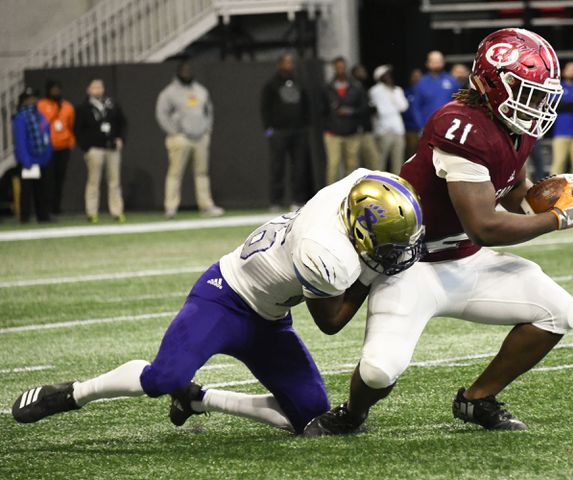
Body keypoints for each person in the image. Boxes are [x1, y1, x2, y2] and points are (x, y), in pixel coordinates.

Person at [305, 28, 573, 436]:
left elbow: (510, 187)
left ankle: (477, 399)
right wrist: (556, 219)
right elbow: (485, 225)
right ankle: (352, 413)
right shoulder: (458, 126)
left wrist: (539, 199)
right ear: (493, 85)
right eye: (525, 91)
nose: (535, 104)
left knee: (561, 311)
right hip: (412, 266)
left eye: (540, 93)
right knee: (377, 371)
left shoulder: (516, 125)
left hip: (465, 260)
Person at [12, 170, 425, 436]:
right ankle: (72, 393)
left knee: (310, 418)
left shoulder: (361, 187)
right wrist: (373, 276)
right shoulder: (324, 253)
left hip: (270, 320)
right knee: (162, 378)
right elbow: (331, 323)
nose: (396, 254)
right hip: (223, 298)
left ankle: (198, 398)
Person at [156, 60, 224, 219]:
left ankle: (206, 206)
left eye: (189, 70)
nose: (187, 73)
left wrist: (207, 130)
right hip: (181, 138)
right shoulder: (169, 92)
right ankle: (171, 208)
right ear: (178, 73)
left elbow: (209, 111)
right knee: (175, 173)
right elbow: (161, 114)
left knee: (202, 173)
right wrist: (174, 132)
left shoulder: (200, 91)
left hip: (200, 138)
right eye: (184, 70)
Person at [261, 53, 311, 211]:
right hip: (279, 132)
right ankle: (276, 201)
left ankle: (298, 200)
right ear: (279, 64)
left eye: (291, 63)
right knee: (277, 167)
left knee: (299, 167)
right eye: (287, 62)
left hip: (298, 132)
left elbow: (305, 104)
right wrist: (269, 129)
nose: (290, 65)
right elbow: (265, 108)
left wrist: (304, 126)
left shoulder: (298, 82)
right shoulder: (271, 84)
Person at [74, 78, 127, 223]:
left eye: (100, 87)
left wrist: (120, 138)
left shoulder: (112, 105)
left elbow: (122, 123)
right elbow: (77, 130)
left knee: (114, 181)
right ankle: (92, 212)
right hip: (95, 149)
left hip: (111, 148)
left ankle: (117, 211)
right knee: (93, 181)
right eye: (94, 87)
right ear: (88, 90)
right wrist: (87, 147)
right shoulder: (83, 108)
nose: (97, 90)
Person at [323, 57, 367, 184]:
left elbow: (364, 108)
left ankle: (348, 196)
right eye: (338, 67)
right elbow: (322, 111)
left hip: (351, 131)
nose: (340, 70)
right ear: (334, 69)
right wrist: (327, 127)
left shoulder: (355, 87)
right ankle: (329, 197)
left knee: (351, 167)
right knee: (333, 165)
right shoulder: (328, 88)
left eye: (342, 67)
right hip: (333, 133)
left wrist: (351, 111)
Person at [12, 86, 52, 223]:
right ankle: (25, 217)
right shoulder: (20, 117)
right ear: (24, 101)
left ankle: (43, 216)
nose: (32, 101)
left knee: (42, 190)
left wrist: (47, 155)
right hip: (28, 160)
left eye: (34, 98)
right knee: (26, 191)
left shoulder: (40, 116)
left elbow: (46, 135)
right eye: (29, 99)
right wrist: (25, 160)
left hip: (41, 159)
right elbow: (20, 140)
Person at [37, 79, 75, 216]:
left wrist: (70, 142)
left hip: (63, 147)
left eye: (58, 89)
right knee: (48, 179)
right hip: (48, 148)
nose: (56, 92)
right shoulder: (41, 105)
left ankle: (56, 207)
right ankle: (46, 208)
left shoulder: (68, 106)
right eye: (53, 89)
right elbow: (40, 125)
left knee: (60, 178)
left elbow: (71, 126)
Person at [369, 65, 409, 174]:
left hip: (398, 129)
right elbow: (381, 110)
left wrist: (393, 93)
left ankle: (395, 186)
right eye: (385, 75)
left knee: (398, 160)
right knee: (380, 161)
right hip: (384, 130)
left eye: (389, 74)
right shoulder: (375, 91)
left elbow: (404, 107)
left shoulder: (397, 90)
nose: (388, 77)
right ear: (379, 77)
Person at [414, 51, 459, 128]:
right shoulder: (421, 82)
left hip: (449, 126)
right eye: (434, 61)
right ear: (427, 63)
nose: (437, 63)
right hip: (428, 126)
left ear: (443, 62)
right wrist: (420, 126)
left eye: (439, 60)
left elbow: (459, 105)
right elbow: (416, 107)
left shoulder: (452, 81)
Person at [351, 64, 383, 172]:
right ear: (355, 74)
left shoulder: (363, 87)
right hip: (356, 130)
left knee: (374, 161)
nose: (364, 73)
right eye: (361, 71)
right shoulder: (353, 88)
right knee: (353, 163)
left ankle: (375, 185)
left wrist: (371, 108)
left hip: (365, 130)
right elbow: (355, 108)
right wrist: (369, 108)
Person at [403, 68, 423, 159]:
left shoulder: (425, 92)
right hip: (411, 129)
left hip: (425, 128)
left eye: (419, 76)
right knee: (411, 154)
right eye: (414, 76)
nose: (417, 78)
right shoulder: (407, 92)